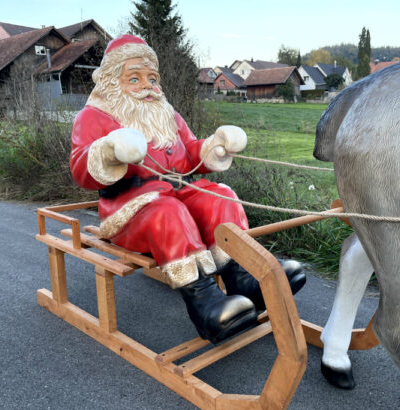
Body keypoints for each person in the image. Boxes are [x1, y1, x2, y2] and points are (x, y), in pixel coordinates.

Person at [70, 35, 305, 344]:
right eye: (135, 78)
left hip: (177, 193)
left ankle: (244, 278)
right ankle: (205, 305)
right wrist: (109, 151)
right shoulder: (92, 118)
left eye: (152, 78)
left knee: (220, 198)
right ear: (112, 82)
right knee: (167, 212)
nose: (148, 86)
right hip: (130, 210)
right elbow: (80, 167)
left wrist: (214, 147)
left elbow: (190, 151)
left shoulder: (167, 114)